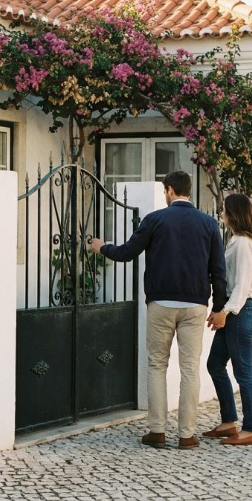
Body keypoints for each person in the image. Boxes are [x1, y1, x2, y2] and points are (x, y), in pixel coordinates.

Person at [91, 171, 226, 450]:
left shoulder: (154, 220)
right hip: (195, 306)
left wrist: (102, 247)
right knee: (190, 368)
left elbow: (127, 252)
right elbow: (218, 271)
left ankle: (157, 431)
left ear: (169, 190)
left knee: (157, 365)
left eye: (166, 191)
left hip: (161, 303)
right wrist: (219, 307)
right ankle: (187, 435)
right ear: (189, 191)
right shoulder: (209, 224)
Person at [203, 193, 252, 446]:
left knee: (243, 371)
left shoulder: (243, 244)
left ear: (233, 214)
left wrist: (224, 313)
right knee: (215, 364)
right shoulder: (236, 241)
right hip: (236, 310)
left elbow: (240, 286)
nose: (221, 214)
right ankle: (229, 421)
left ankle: (250, 428)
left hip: (241, 311)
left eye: (224, 210)